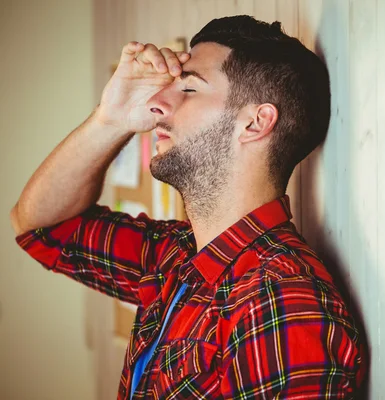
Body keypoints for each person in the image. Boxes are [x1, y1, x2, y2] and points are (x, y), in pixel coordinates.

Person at [10, 15, 366, 399]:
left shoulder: (281, 302)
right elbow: (41, 227)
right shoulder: (176, 256)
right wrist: (109, 120)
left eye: (190, 89)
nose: (156, 103)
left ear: (255, 123)